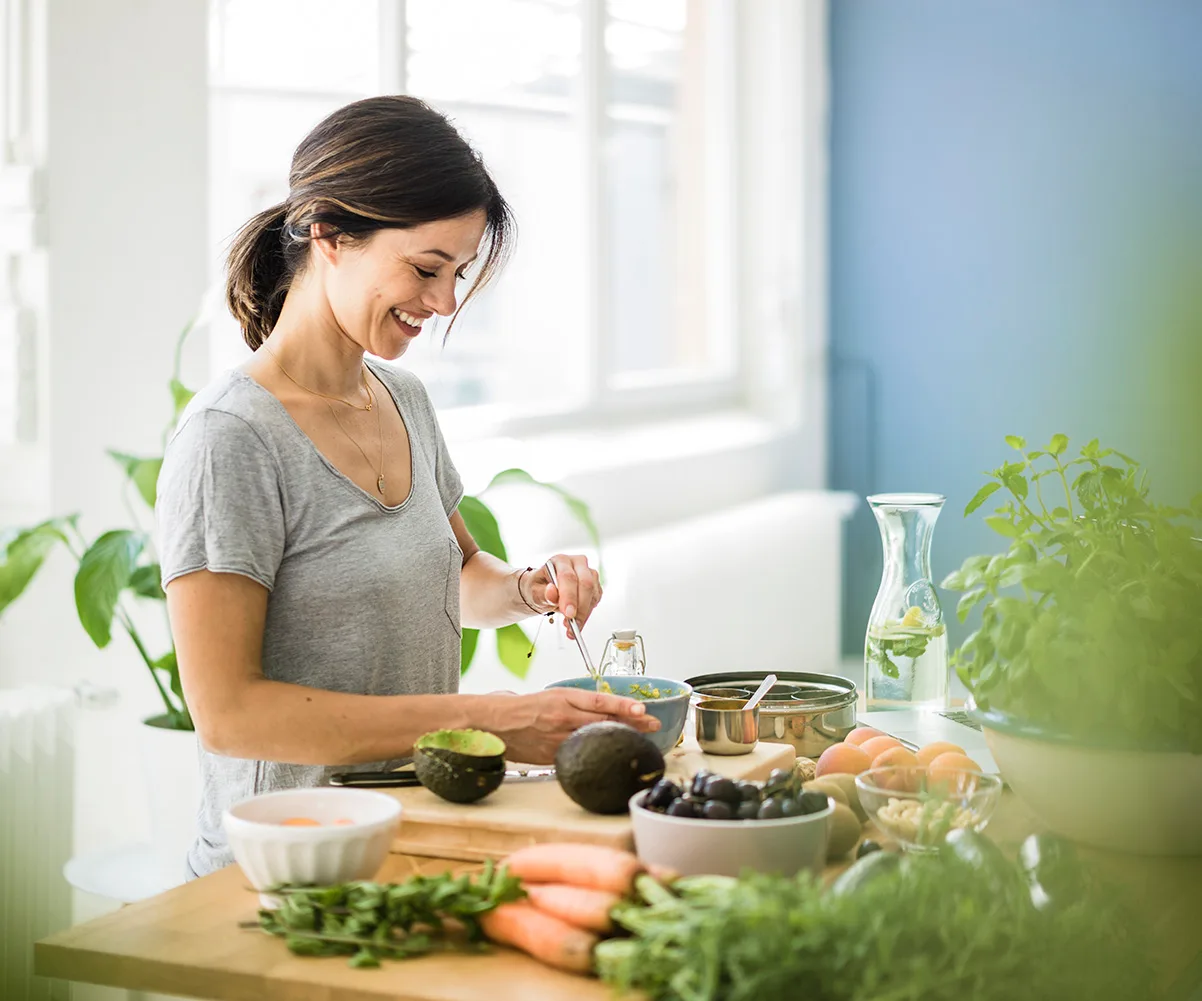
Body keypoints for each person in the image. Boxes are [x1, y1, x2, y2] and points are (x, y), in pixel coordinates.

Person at [156, 96, 657, 880]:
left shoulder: (404, 399)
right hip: (284, 870)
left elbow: (459, 580)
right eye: (427, 269)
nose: (446, 302)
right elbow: (230, 714)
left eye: (457, 274)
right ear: (328, 232)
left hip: (411, 837)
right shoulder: (231, 438)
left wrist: (530, 587)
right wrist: (494, 718)